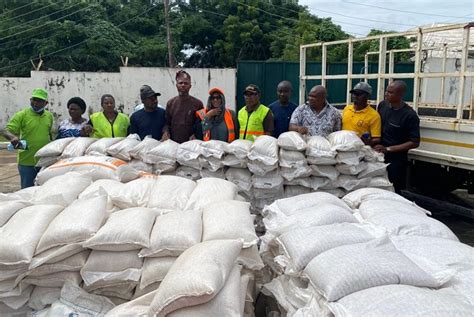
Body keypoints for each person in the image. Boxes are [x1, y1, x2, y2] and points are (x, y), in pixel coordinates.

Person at [374, 80, 420, 194]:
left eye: (390, 92)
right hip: (378, 156)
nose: (386, 94)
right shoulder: (382, 105)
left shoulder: (409, 115)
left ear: (400, 95)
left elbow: (414, 142)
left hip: (396, 161)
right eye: (386, 91)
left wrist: (389, 149)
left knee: (394, 190)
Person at [3, 88, 53, 188]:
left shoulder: (49, 116)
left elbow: (49, 134)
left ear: (46, 103)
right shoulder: (22, 115)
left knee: (44, 189)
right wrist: (12, 137)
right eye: (33, 99)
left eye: (39, 101)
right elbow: (6, 130)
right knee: (27, 190)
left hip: (45, 161)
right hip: (26, 161)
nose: (35, 103)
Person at [165, 70, 204, 143]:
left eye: (186, 83)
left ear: (190, 86)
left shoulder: (198, 104)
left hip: (191, 144)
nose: (183, 85)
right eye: (180, 83)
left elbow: (202, 124)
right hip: (174, 144)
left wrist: (195, 134)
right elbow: (167, 123)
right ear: (176, 85)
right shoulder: (170, 103)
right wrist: (166, 132)